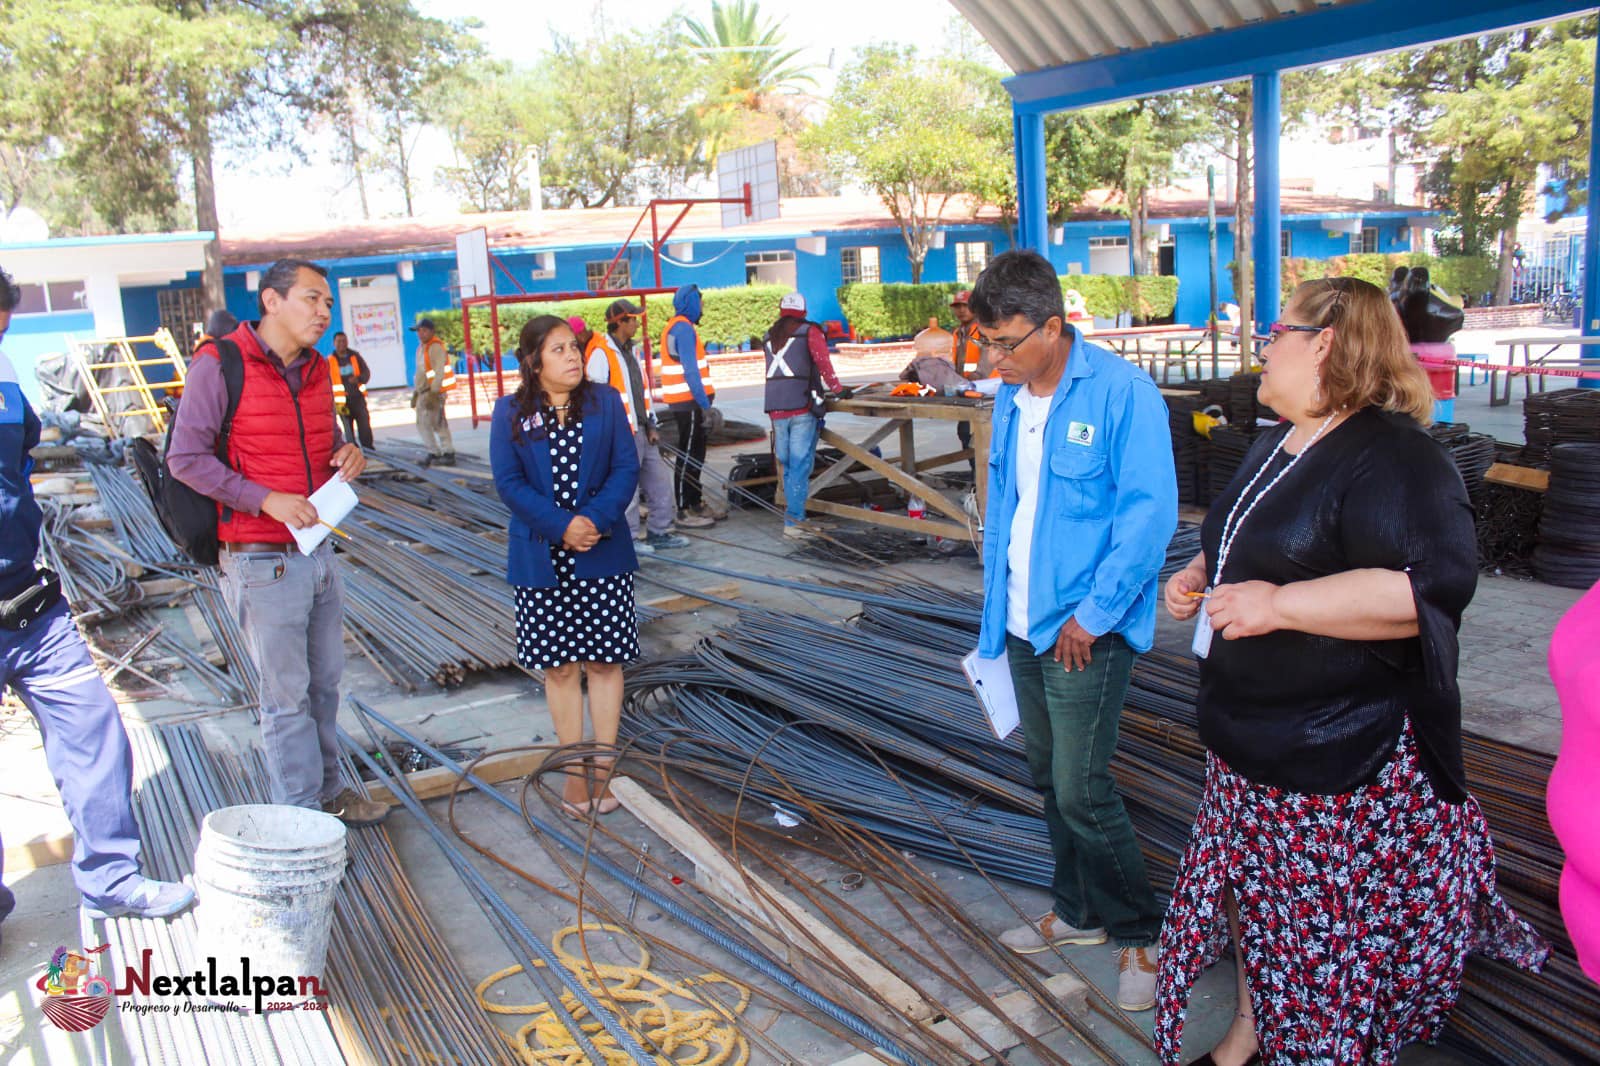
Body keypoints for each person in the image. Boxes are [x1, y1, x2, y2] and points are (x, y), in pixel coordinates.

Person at [1156, 277, 1547, 1066]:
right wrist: (1202, 566)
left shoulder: (1397, 458)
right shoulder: (1278, 438)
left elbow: (1425, 591)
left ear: (1325, 341)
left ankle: (1314, 1049)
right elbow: (1249, 529)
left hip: (1337, 755)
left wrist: (1280, 605)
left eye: (1277, 330)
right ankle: (1249, 1034)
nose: (1263, 345)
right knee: (1257, 908)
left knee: (1315, 929)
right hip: (1250, 735)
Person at [972, 250, 1175, 1012]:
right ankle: (1078, 911)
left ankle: (1140, 936)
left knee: (1083, 788)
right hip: (1022, 623)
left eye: (1006, 343)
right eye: (985, 343)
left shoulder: (1122, 393)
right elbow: (1010, 510)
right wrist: (997, 618)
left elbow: (1148, 516)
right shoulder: (1012, 399)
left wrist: (1095, 614)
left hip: (1084, 629)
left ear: (1054, 327)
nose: (993, 359)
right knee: (1045, 777)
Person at [0, 267, 194, 929]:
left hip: (28, 604)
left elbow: (23, 445)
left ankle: (111, 880)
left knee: (93, 732)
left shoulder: (4, 381)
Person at [169, 259, 388, 827]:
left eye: (328, 304)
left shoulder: (317, 370)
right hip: (259, 558)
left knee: (325, 686)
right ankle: (301, 817)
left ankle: (331, 792)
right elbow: (185, 459)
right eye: (312, 299)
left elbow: (321, 438)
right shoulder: (219, 366)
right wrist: (264, 499)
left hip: (316, 550)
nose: (323, 312)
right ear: (271, 301)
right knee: (285, 697)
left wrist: (347, 454)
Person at [491, 315, 640, 816]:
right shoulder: (510, 412)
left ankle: (605, 767)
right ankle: (574, 771)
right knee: (558, 670)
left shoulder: (606, 403)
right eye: (558, 350)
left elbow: (626, 468)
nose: (573, 357)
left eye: (574, 348)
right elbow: (509, 483)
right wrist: (562, 526)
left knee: (603, 663)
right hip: (541, 554)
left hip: (602, 548)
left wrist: (593, 520)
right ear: (533, 362)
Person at [584, 298, 701, 550]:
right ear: (620, 322)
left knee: (659, 483)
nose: (637, 323)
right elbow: (596, 399)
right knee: (628, 489)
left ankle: (660, 531)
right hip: (622, 433)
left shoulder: (630, 351)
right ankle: (630, 538)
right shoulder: (601, 354)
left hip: (642, 430)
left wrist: (651, 425)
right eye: (633, 319)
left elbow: (639, 393)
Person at [763, 291, 844, 538]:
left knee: (788, 463)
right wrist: (839, 389)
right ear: (804, 312)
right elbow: (823, 363)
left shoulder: (770, 335)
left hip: (776, 407)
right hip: (801, 406)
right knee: (799, 464)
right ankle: (795, 522)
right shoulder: (810, 331)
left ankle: (792, 518)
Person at [660, 284, 725, 523]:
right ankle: (684, 510)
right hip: (688, 404)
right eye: (700, 302)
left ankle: (695, 503)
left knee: (696, 455)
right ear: (691, 303)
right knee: (688, 455)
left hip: (690, 402)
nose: (702, 307)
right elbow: (691, 372)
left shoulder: (679, 327)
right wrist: (704, 406)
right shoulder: (683, 329)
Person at [410, 317, 455, 466]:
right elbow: (421, 372)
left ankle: (447, 452)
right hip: (423, 392)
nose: (420, 334)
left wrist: (434, 393)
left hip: (432, 392)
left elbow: (439, 372)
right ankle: (434, 452)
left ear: (431, 331)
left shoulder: (435, 347)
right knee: (423, 423)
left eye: (424, 330)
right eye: (419, 331)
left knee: (437, 422)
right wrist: (416, 393)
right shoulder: (421, 349)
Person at [328, 331, 373, 449]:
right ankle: (353, 450)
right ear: (334, 343)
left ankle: (368, 449)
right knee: (348, 429)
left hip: (358, 399)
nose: (342, 344)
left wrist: (358, 379)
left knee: (364, 425)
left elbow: (366, 373)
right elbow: (326, 381)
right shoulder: (330, 361)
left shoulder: (355, 356)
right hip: (342, 402)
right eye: (339, 341)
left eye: (344, 341)